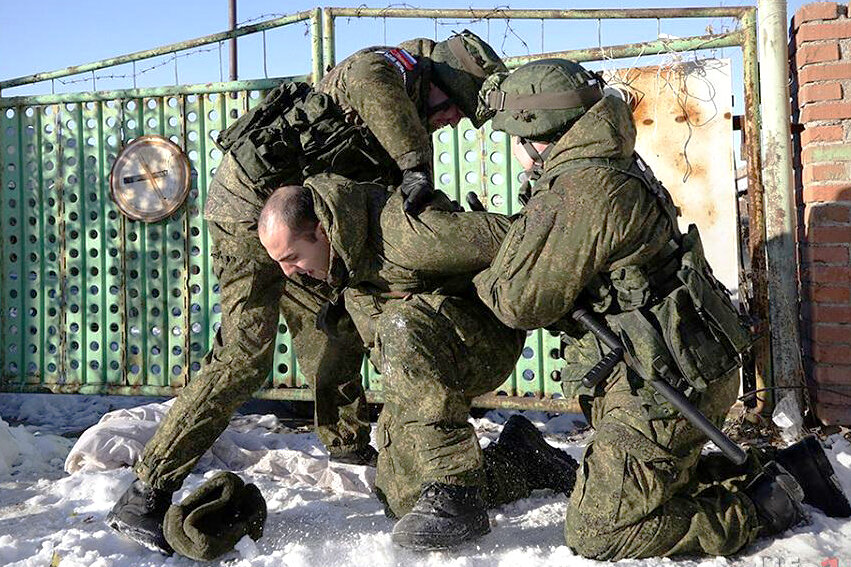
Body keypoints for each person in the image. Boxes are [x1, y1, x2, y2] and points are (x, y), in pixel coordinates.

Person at [107, 31, 507, 555]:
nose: (453, 121)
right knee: (244, 356)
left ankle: (346, 442)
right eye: (456, 108)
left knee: (338, 318)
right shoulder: (383, 70)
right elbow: (374, 84)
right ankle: (146, 492)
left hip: (301, 221)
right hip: (250, 213)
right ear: (442, 82)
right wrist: (414, 165)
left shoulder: (399, 106)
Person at [472, 58, 851, 560]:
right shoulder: (607, 159)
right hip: (676, 365)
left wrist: (481, 265)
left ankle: (762, 508)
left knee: (599, 531)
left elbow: (518, 302)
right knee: (654, 479)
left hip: (663, 387)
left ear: (532, 132)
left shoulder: (585, 187)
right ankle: (793, 469)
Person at [256, 176, 578, 550]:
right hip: (423, 368)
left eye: (292, 258)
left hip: (484, 346)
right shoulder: (338, 258)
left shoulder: (406, 234)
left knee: (400, 323)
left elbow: (517, 234)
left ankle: (458, 491)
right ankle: (522, 460)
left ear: (323, 230)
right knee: (405, 500)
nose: (288, 272)